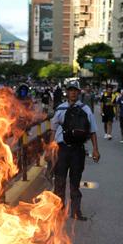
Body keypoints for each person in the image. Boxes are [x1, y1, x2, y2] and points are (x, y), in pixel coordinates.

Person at [50, 80, 100, 221]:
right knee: (59, 181)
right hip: (62, 150)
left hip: (78, 151)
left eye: (75, 90)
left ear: (78, 92)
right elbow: (53, 129)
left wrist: (95, 150)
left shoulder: (85, 110)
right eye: (70, 90)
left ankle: (76, 211)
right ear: (67, 92)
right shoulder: (60, 109)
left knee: (75, 182)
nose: (72, 93)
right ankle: (59, 210)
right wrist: (50, 149)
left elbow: (92, 131)